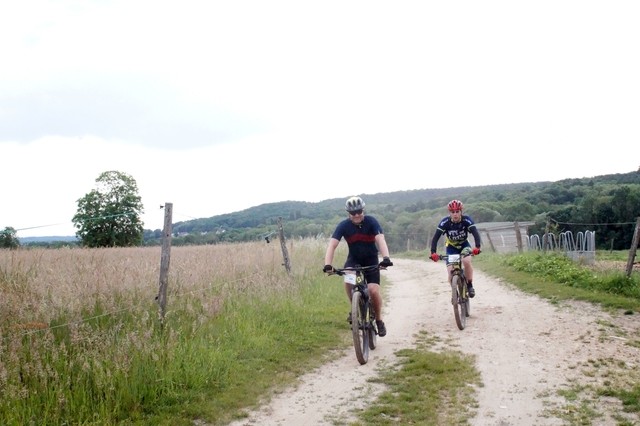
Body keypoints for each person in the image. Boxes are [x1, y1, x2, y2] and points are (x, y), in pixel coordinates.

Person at [323, 196, 393, 337]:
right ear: (348, 213)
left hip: (371, 259)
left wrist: (386, 258)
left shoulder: (371, 221)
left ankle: (379, 320)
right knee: (348, 278)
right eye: (353, 213)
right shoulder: (344, 225)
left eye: (359, 211)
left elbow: (380, 239)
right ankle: (354, 309)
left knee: (373, 290)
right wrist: (328, 264)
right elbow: (332, 245)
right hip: (354, 260)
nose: (356, 215)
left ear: (363, 210)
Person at [429, 199, 482, 297]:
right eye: (452, 212)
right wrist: (433, 253)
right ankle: (455, 293)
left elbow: (475, 233)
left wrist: (477, 247)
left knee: (466, 261)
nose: (455, 214)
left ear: (461, 211)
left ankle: (470, 285)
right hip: (451, 247)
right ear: (449, 213)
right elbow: (435, 238)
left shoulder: (466, 220)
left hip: (464, 245)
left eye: (457, 211)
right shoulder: (445, 222)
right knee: (450, 271)